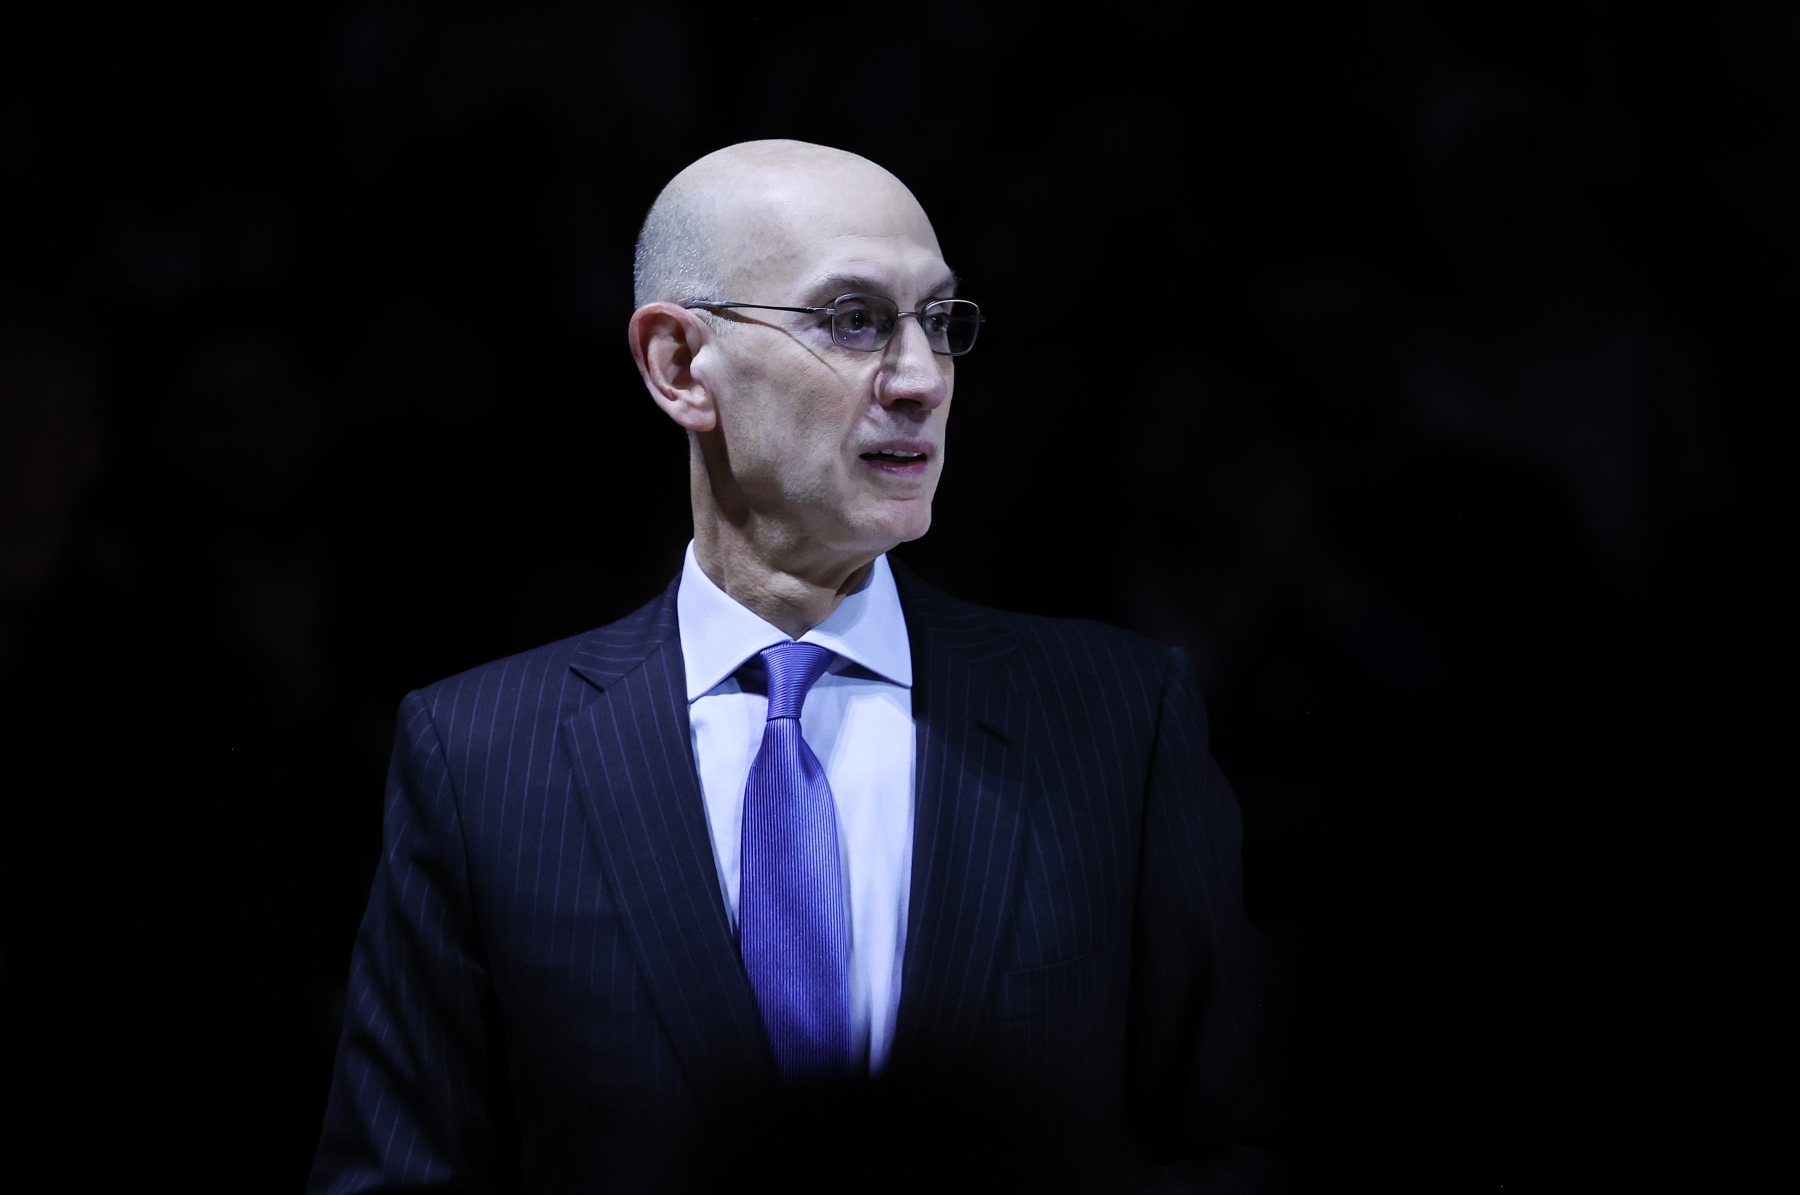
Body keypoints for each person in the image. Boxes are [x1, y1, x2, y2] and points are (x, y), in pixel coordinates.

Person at [308, 138, 1290, 1193]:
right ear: (679, 365)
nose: (921, 380)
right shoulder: (482, 756)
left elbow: (1233, 1148)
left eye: (940, 322)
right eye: (853, 320)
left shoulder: (1116, 717)